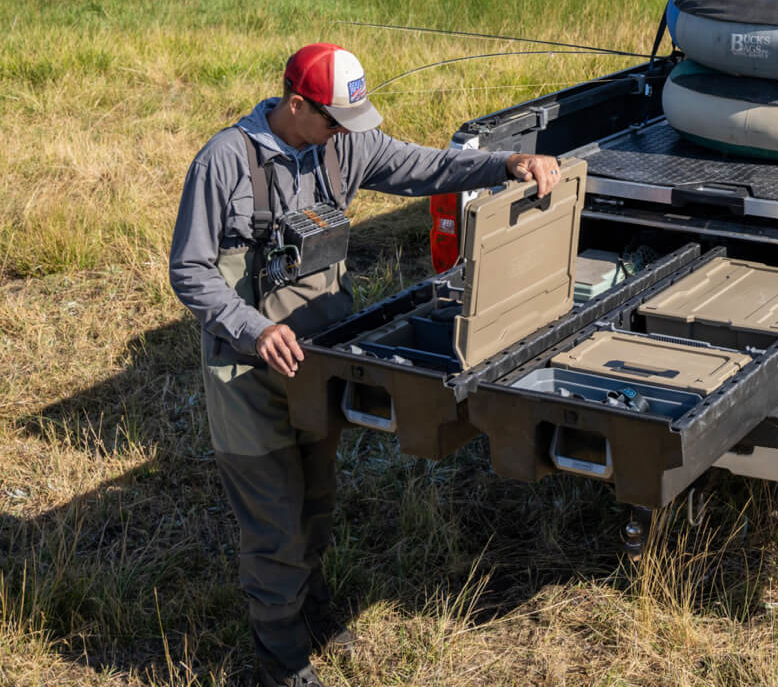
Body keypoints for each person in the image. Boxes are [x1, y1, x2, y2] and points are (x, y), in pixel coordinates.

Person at [169, 43, 561, 687]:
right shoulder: (224, 161)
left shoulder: (345, 142)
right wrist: (253, 327)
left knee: (316, 503)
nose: (346, 135)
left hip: (320, 363)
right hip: (247, 372)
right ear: (296, 104)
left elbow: (426, 167)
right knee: (273, 525)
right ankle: (281, 660)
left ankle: (314, 614)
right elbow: (190, 270)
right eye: (333, 121)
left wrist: (509, 161)